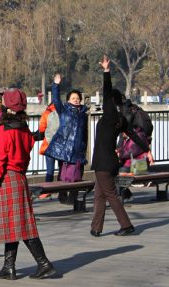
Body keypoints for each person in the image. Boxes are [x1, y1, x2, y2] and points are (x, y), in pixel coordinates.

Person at [0, 88, 56, 280]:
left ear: (6, 106)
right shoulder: (24, 130)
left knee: (20, 225)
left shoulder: (2, 132)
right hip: (20, 177)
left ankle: (44, 263)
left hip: (6, 179)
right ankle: (9, 267)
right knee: (15, 224)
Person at [90, 55, 149, 237]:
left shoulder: (108, 115)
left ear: (111, 103)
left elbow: (107, 91)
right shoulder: (121, 120)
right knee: (100, 195)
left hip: (103, 163)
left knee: (111, 195)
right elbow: (134, 136)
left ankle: (126, 225)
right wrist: (146, 149)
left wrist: (106, 71)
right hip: (110, 162)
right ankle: (96, 228)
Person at [44, 73, 88, 204]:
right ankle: (62, 195)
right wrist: (56, 85)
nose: (76, 100)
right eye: (73, 98)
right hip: (64, 148)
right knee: (63, 174)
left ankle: (73, 198)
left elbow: (84, 133)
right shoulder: (64, 111)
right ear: (68, 100)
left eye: (78, 98)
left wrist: (84, 148)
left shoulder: (83, 115)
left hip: (78, 149)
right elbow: (56, 100)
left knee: (77, 175)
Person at [33, 103, 60, 198]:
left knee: (50, 170)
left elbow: (41, 128)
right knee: (62, 169)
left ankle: (47, 191)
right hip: (62, 145)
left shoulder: (46, 113)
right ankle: (62, 191)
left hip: (49, 145)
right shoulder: (63, 111)